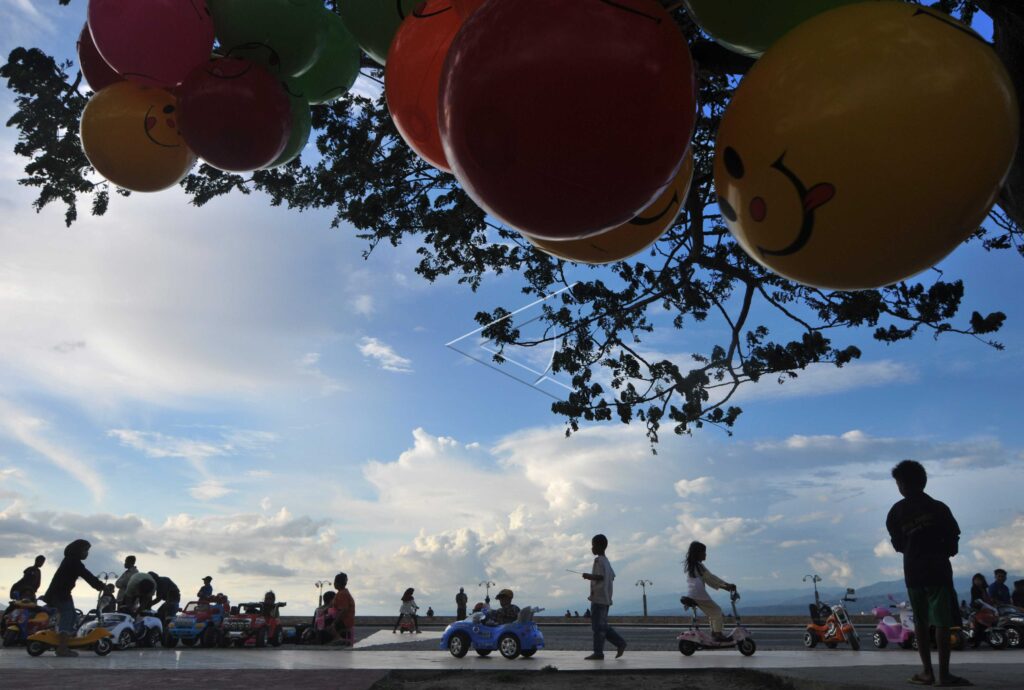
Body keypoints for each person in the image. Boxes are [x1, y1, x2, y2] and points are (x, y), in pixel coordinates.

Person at [885, 460, 969, 688]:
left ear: (902, 484)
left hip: (913, 572)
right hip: (938, 572)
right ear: (923, 481)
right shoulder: (939, 508)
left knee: (920, 622)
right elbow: (953, 542)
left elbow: (898, 544)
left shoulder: (896, 512)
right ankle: (944, 675)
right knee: (942, 622)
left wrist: (914, 549)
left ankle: (926, 673)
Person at [41, 539, 106, 657]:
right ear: (78, 550)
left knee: (71, 617)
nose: (87, 553)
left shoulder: (69, 560)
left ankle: (63, 643)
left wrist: (99, 586)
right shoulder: (74, 562)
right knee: (68, 616)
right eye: (85, 550)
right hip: (61, 594)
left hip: (61, 593)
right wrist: (101, 586)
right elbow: (87, 575)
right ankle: (62, 648)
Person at [582, 533, 626, 660]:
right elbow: (612, 575)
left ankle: (600, 652)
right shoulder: (607, 561)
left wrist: (588, 576)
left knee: (598, 627)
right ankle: (617, 644)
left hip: (598, 598)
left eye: (593, 545)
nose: (592, 548)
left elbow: (600, 576)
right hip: (606, 598)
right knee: (601, 626)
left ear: (600, 546)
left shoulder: (598, 560)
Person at [683, 540, 736, 642]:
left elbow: (710, 578)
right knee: (717, 611)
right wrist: (726, 586)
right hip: (698, 595)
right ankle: (718, 634)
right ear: (698, 553)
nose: (705, 554)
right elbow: (710, 578)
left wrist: (725, 585)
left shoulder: (695, 565)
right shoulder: (698, 566)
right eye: (704, 552)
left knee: (713, 613)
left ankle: (715, 632)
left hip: (694, 594)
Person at [4, 554, 45, 622]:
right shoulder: (30, 570)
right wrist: (26, 591)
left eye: (43, 562)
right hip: (24, 595)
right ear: (37, 561)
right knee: (13, 609)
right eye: (41, 562)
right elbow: (25, 581)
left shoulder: (38, 571)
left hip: (31, 594)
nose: (42, 564)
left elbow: (37, 584)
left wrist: (33, 591)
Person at [331, 572, 355, 646]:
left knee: (325, 625)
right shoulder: (343, 593)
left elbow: (344, 610)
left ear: (338, 583)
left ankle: (338, 638)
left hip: (345, 621)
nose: (334, 584)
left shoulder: (342, 594)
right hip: (346, 620)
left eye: (334, 582)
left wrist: (334, 622)